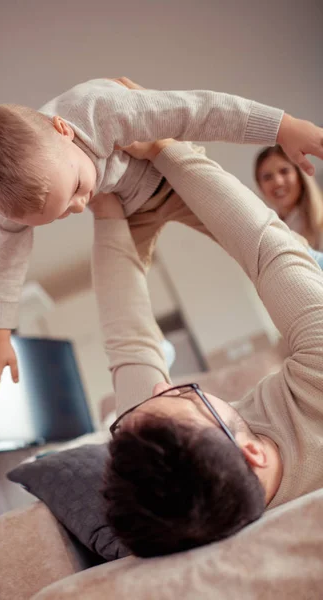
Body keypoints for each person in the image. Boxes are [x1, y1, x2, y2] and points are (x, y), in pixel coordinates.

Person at [0, 76, 323, 399]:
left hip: (170, 177)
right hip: (129, 208)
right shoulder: (24, 199)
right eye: (65, 212)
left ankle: (310, 260)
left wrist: (281, 127)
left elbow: (194, 110)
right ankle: (152, 349)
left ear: (63, 130)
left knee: (244, 229)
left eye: (77, 189)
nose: (80, 203)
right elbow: (7, 258)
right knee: (115, 290)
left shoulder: (99, 110)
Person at [91, 137, 323, 558]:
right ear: (251, 452)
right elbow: (269, 248)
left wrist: (106, 207)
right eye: (187, 395)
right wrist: (167, 149)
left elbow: (130, 344)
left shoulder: (191, 476)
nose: (163, 389)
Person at [255, 144, 323, 251]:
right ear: (260, 186)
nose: (278, 182)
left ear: (300, 176)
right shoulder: (267, 233)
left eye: (284, 171)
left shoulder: (320, 225)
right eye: (267, 177)